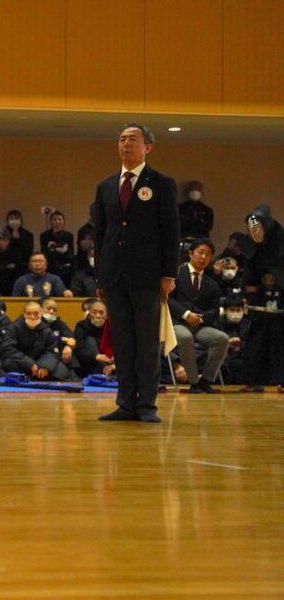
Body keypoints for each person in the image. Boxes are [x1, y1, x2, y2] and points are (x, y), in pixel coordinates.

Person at [93, 122, 180, 423]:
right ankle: (126, 403)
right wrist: (100, 277)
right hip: (114, 276)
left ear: (148, 147)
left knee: (145, 345)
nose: (126, 144)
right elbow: (101, 233)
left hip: (148, 276)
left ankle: (147, 405)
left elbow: (171, 232)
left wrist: (168, 274)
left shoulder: (161, 183)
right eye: (121, 139)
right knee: (124, 344)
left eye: (133, 139)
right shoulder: (105, 186)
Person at [167, 238, 228, 394]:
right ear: (190, 253)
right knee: (185, 337)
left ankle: (206, 380)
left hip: (200, 325)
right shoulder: (176, 274)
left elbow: (214, 310)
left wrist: (200, 318)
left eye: (208, 255)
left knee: (222, 339)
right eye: (200, 252)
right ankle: (193, 381)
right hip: (177, 323)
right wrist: (186, 314)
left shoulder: (212, 283)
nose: (203, 257)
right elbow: (168, 299)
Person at [239, 206, 284, 392]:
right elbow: (249, 273)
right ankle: (254, 381)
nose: (256, 230)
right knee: (257, 341)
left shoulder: (281, 241)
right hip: (260, 296)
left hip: (282, 295)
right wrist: (251, 297)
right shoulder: (251, 244)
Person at [1, 301, 73, 380]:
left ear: (41, 314)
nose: (32, 317)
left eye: (36, 314)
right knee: (8, 364)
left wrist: (45, 366)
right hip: (21, 362)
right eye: (29, 313)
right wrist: (30, 364)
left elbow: (52, 352)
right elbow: (8, 349)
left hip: (41, 363)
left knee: (61, 370)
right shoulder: (13, 328)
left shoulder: (47, 331)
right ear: (24, 314)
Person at [71, 299, 113, 376]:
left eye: (101, 313)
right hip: (88, 363)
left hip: (109, 362)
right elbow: (79, 350)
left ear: (106, 315)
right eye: (94, 312)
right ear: (89, 314)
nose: (98, 316)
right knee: (90, 340)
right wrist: (96, 356)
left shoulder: (110, 327)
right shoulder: (82, 326)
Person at [40, 210, 75, 282]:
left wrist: (64, 251)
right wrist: (49, 249)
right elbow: (43, 254)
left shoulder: (68, 235)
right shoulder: (44, 235)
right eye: (54, 219)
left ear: (64, 222)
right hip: (50, 267)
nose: (57, 222)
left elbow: (71, 253)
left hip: (65, 268)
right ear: (50, 222)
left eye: (60, 219)